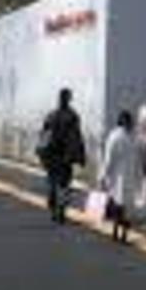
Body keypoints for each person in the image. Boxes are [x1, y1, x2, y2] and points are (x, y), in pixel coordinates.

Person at [39, 88, 86, 224]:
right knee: (65, 184)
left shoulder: (51, 115)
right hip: (65, 156)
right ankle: (61, 209)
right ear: (69, 99)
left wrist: (41, 153)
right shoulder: (73, 116)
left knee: (52, 180)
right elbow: (77, 137)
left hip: (50, 155)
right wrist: (81, 156)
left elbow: (44, 135)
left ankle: (53, 200)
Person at [100, 110, 136, 243]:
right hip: (129, 176)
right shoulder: (131, 138)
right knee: (126, 206)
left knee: (116, 203)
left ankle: (115, 231)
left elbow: (108, 158)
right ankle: (124, 234)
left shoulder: (114, 136)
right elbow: (135, 159)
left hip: (116, 176)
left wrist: (103, 175)